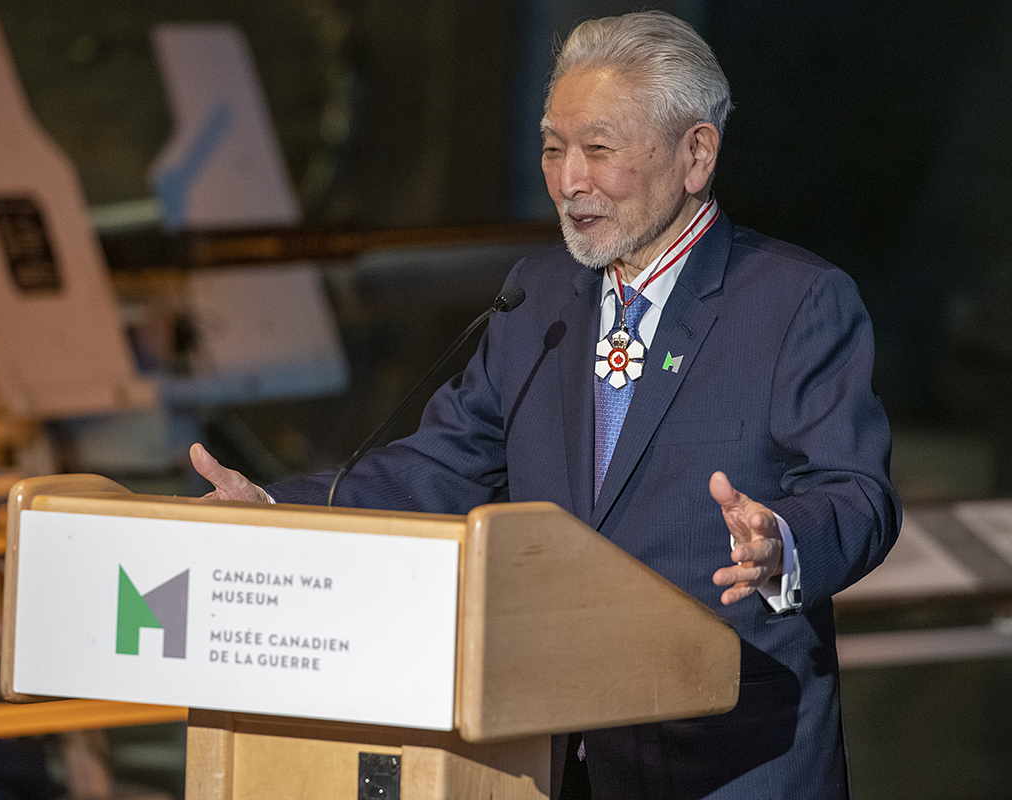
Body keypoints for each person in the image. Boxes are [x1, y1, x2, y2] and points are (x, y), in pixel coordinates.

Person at [190, 10, 900, 799]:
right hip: (558, 756)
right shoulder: (538, 299)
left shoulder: (795, 302)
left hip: (730, 759)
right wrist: (277, 507)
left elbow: (859, 494)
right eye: (553, 148)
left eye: (599, 149)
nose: (569, 180)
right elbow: (440, 465)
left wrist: (782, 543)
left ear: (695, 154)